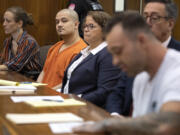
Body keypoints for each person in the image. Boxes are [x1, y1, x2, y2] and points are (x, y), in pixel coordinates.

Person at [72, 11, 180, 134]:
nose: (115, 62)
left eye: (118, 51)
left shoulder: (176, 70)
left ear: (141, 41)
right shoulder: (140, 76)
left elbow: (169, 124)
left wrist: (108, 124)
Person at [61, 11, 120, 107]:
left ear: (105, 30)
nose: (86, 29)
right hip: (68, 102)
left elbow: (105, 91)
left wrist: (76, 99)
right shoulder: (85, 51)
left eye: (91, 26)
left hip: (88, 108)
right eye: (85, 26)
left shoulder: (108, 54)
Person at [37, 9, 87, 89]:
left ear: (76, 25)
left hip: (59, 97)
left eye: (64, 21)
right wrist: (37, 88)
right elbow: (44, 72)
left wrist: (48, 92)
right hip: (42, 94)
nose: (59, 25)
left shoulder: (82, 51)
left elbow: (70, 82)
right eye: (57, 22)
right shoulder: (55, 46)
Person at [0, 6, 42, 80]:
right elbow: (2, 62)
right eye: (4, 20)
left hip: (29, 81)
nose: (4, 24)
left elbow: (16, 65)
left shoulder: (29, 42)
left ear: (19, 23)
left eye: (8, 21)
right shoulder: (7, 41)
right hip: (12, 79)